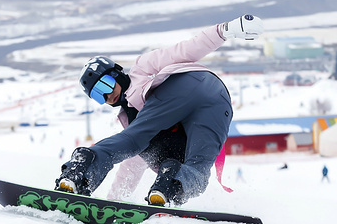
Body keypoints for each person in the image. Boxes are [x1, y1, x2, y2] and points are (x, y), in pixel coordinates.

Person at [56, 14, 264, 206]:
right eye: (97, 95)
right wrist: (114, 202)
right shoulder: (129, 118)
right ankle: (168, 183)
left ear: (117, 73)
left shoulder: (142, 69)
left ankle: (81, 168)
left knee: (133, 139)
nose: (107, 95)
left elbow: (185, 51)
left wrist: (225, 30)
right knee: (198, 171)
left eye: (105, 85)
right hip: (218, 104)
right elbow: (131, 167)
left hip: (187, 84)